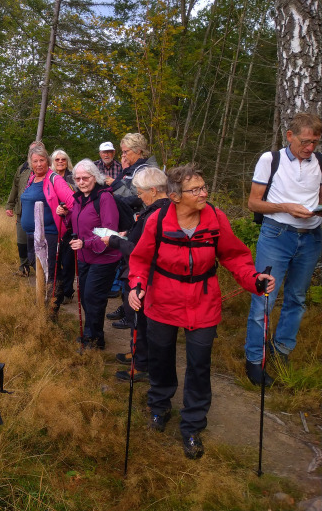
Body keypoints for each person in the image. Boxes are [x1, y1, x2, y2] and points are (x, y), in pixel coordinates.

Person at [128, 165, 275, 460]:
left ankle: (193, 426)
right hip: (162, 300)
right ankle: (160, 407)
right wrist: (137, 285)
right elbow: (140, 259)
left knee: (199, 364)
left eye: (204, 187)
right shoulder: (157, 221)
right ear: (175, 196)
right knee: (160, 357)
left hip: (203, 303)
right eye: (195, 190)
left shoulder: (216, 219)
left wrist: (255, 280)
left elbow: (235, 257)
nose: (203, 193)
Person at [244, 113, 322, 386]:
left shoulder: (319, 162)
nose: (310, 147)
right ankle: (254, 359)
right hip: (277, 235)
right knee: (264, 296)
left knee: (297, 298)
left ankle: (281, 352)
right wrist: (287, 207)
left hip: (312, 237)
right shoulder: (271, 160)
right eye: (305, 141)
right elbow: (254, 203)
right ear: (290, 136)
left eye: (315, 142)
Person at [101, 167, 170, 383]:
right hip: (139, 273)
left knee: (139, 318)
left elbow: (141, 250)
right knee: (135, 318)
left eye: (140, 192)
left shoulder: (158, 214)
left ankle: (141, 365)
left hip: (143, 275)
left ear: (153, 190)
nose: (138, 196)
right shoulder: (157, 210)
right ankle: (138, 354)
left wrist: (114, 241)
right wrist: (128, 234)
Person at [57, 159, 121, 349]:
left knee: (93, 296)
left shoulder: (104, 198)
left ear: (95, 177)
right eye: (77, 178)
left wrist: (86, 242)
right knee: (85, 296)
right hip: (84, 256)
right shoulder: (78, 198)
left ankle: (95, 339)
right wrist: (65, 214)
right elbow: (76, 224)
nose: (81, 181)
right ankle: (91, 333)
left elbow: (110, 232)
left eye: (85, 177)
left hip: (104, 258)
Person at [20, 142, 75, 315]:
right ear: (31, 163)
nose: (38, 164)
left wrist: (64, 209)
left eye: (42, 160)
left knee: (51, 271)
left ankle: (52, 311)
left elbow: (72, 201)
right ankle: (42, 301)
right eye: (35, 161)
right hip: (31, 233)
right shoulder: (31, 178)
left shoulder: (54, 179)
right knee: (39, 268)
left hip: (50, 233)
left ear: (48, 161)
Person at [50, 149, 76, 304]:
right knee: (54, 259)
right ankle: (56, 289)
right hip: (53, 224)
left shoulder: (74, 177)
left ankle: (67, 291)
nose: (60, 162)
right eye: (57, 159)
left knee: (67, 261)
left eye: (63, 159)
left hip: (70, 224)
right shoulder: (49, 178)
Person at [110, 133, 158, 209]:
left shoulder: (145, 171)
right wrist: (125, 170)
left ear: (138, 151)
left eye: (126, 152)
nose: (123, 155)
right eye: (123, 152)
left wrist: (115, 187)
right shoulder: (135, 168)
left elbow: (137, 198)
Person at [6, 149, 33, 276]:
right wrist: (9, 205)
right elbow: (15, 187)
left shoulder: (47, 167)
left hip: (39, 212)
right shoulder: (22, 168)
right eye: (31, 150)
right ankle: (24, 267)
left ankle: (42, 269)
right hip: (21, 210)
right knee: (21, 240)